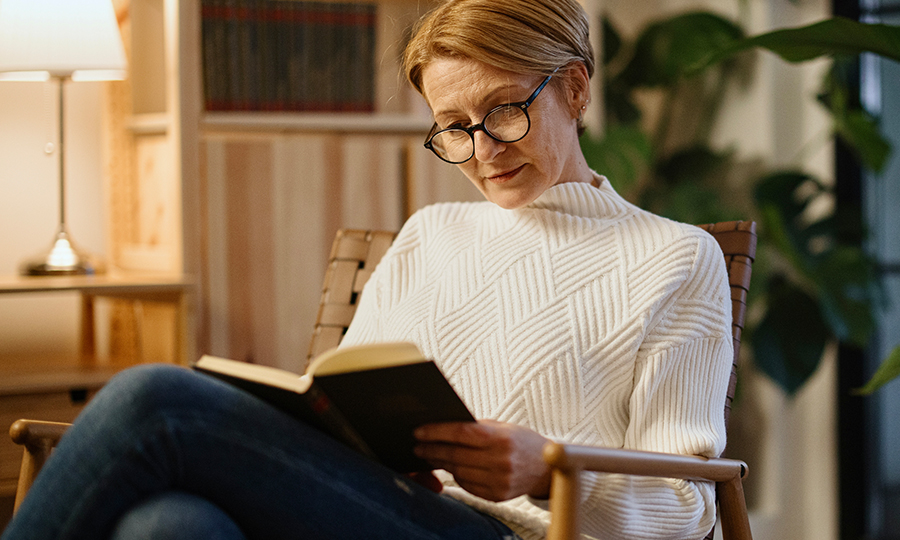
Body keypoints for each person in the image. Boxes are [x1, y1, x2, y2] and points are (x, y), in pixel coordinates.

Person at [1, 1, 733, 539]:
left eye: (506, 112)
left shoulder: (673, 257)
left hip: (511, 535)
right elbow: (341, 402)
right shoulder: (430, 234)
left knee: (154, 397)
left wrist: (548, 470)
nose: (482, 151)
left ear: (575, 88)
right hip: (379, 508)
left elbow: (688, 504)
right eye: (453, 127)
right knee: (169, 527)